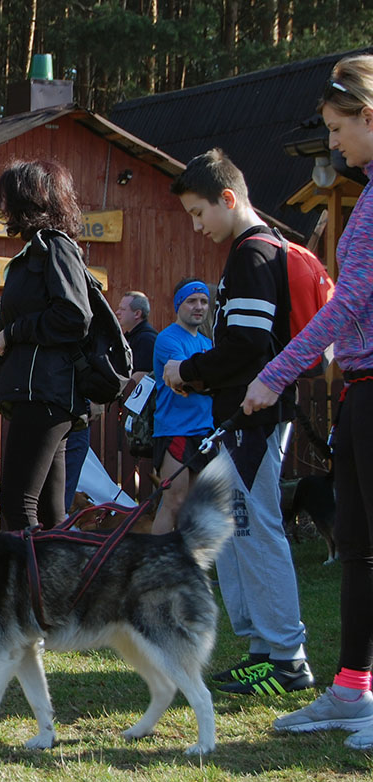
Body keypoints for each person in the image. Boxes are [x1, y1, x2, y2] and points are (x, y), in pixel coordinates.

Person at [242, 55, 373, 748]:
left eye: (337, 128)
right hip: (359, 389)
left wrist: (276, 374)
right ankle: (353, 689)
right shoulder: (367, 194)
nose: (332, 143)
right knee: (357, 549)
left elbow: (347, 304)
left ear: (369, 116)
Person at [165, 147, 312, 695]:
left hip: (255, 419)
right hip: (245, 417)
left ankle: (287, 659)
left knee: (256, 531)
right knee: (239, 532)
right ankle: (263, 650)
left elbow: (247, 346)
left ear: (228, 198)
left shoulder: (252, 254)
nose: (197, 226)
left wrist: (187, 371)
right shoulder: (256, 251)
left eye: (199, 213)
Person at [0, 159, 91, 531]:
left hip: (45, 394)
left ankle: (25, 572)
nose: (2, 208)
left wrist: (13, 332)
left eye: (8, 198)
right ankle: (57, 571)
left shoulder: (55, 248)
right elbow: (14, 347)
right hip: (44, 393)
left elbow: (74, 316)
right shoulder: (37, 251)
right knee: (48, 513)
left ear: (28, 200)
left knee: (16, 503)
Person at [149, 278, 214, 534]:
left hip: (204, 432)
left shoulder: (207, 343)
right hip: (175, 430)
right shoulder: (168, 339)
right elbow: (186, 379)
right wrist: (211, 381)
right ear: (178, 305)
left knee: (195, 507)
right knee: (174, 503)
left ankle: (186, 558)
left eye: (204, 301)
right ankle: (157, 558)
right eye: (191, 301)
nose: (199, 307)